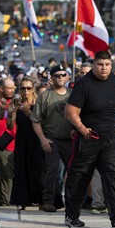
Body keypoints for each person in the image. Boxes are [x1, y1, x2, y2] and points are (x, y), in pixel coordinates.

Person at [64, 51, 115, 228]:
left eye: (107, 65)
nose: (104, 68)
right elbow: (70, 112)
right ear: (94, 64)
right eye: (100, 64)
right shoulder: (84, 84)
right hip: (88, 139)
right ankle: (71, 216)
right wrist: (82, 129)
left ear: (111, 65)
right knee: (79, 178)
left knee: (114, 177)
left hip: (111, 139)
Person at [31, 64, 72, 212]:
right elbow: (36, 120)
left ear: (68, 77)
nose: (60, 78)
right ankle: (48, 201)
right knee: (52, 169)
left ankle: (72, 200)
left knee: (74, 170)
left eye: (63, 75)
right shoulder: (45, 96)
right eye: (57, 75)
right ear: (52, 78)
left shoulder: (72, 94)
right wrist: (42, 139)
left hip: (69, 139)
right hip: (51, 139)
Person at [8, 76, 43, 209]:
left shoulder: (38, 102)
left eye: (28, 88)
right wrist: (12, 113)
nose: (26, 91)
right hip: (22, 140)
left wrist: (27, 111)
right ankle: (23, 199)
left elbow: (39, 121)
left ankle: (38, 199)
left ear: (33, 89)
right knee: (21, 169)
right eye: (23, 88)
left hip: (36, 140)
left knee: (37, 169)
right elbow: (10, 126)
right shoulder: (16, 103)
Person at [0, 77, 18, 206]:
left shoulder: (15, 102)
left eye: (13, 88)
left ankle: (4, 201)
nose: (12, 90)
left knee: (7, 173)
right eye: (9, 88)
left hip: (8, 140)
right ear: (1, 89)